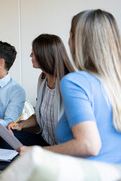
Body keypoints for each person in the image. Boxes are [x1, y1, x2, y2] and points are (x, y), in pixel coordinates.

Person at [19, 9, 121, 164]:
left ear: (78, 41)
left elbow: (88, 145)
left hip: (88, 174)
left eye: (70, 34)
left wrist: (37, 152)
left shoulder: (74, 82)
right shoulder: (114, 82)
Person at [7, 34, 75, 146]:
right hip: (45, 141)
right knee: (8, 138)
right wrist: (20, 125)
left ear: (44, 55)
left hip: (63, 148)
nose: (30, 55)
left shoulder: (68, 84)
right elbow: (40, 117)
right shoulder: (43, 79)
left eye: (33, 53)